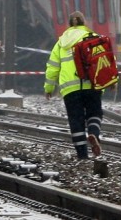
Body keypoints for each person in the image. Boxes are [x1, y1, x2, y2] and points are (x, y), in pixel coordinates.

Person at [44, 11, 103, 159]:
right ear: (84, 23)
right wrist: (111, 81)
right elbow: (106, 60)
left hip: (70, 89)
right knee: (94, 113)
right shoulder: (94, 38)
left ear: (69, 25)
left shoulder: (61, 43)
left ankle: (82, 155)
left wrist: (49, 88)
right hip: (91, 85)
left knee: (75, 120)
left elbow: (52, 67)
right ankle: (93, 133)